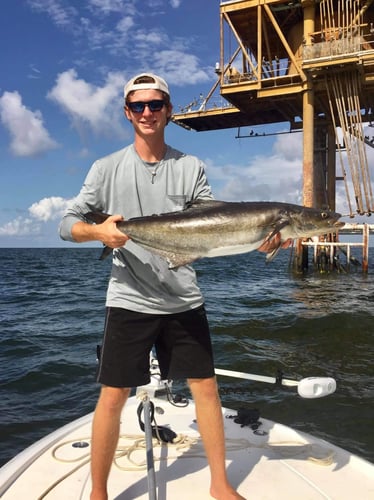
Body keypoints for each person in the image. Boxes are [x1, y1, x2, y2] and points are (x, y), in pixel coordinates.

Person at [59, 73, 245, 500]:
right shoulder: (105, 168)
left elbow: (211, 223)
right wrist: (99, 232)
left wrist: (259, 238)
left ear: (169, 111)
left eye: (155, 104)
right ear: (127, 112)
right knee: (113, 393)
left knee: (206, 386)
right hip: (130, 297)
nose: (147, 112)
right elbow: (66, 223)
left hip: (183, 296)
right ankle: (98, 493)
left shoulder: (191, 166)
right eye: (138, 106)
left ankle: (220, 483)